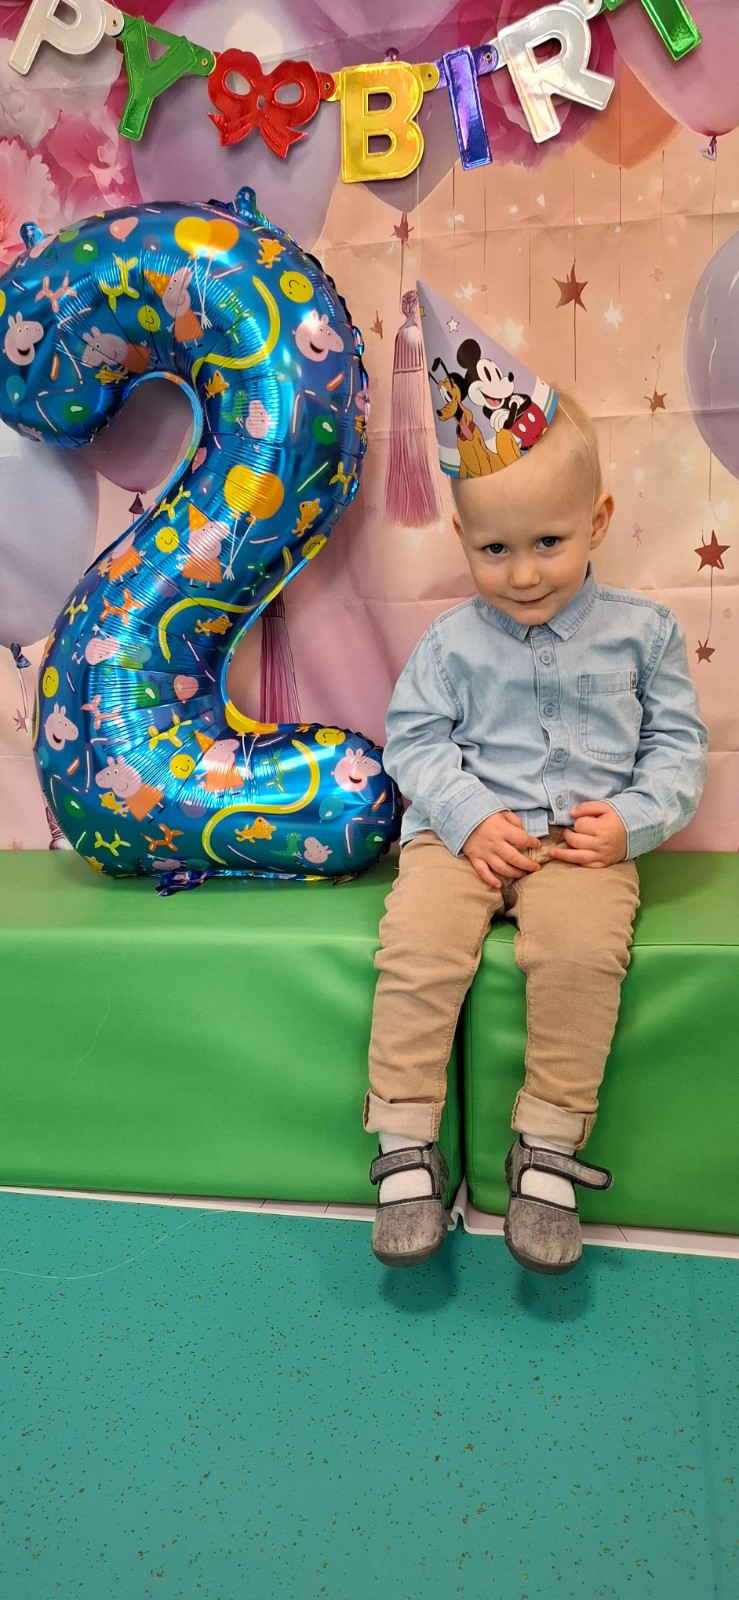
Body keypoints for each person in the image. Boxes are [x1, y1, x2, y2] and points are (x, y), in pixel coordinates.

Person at [365, 288, 708, 1275]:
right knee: (417, 950)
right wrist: (466, 816)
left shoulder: (644, 633)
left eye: (547, 543)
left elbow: (676, 750)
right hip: (460, 841)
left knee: (580, 955)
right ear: (462, 540)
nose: (521, 574)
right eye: (493, 550)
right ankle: (403, 1141)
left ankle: (547, 1150)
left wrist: (632, 823)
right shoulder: (449, 643)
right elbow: (411, 739)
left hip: (581, 848)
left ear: (595, 521)